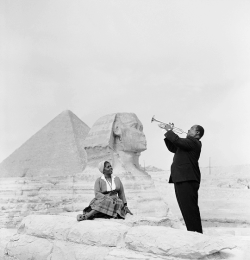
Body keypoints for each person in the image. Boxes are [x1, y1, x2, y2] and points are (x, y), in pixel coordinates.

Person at [162, 124, 204, 233]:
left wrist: (169, 131)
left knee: (190, 209)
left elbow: (177, 141)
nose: (188, 129)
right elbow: (173, 147)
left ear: (197, 133)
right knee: (186, 209)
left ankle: (196, 234)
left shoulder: (194, 142)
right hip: (182, 178)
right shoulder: (187, 144)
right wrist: (167, 135)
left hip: (187, 179)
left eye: (191, 128)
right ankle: (193, 233)